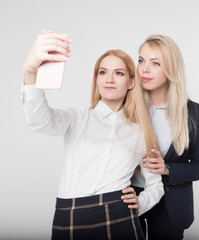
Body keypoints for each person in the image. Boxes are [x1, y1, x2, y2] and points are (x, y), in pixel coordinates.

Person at [21, 31, 164, 240]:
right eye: (103, 72)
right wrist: (30, 71)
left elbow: (156, 184)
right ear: (96, 79)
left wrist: (142, 202)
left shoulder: (140, 132)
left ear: (131, 83)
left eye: (119, 73)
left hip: (119, 214)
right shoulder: (77, 117)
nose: (109, 79)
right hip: (70, 215)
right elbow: (39, 121)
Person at [131, 35, 199, 240]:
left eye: (155, 63)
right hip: (131, 198)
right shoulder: (127, 106)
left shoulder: (193, 112)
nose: (144, 69)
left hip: (171, 204)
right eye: (141, 61)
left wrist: (166, 169)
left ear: (171, 69)